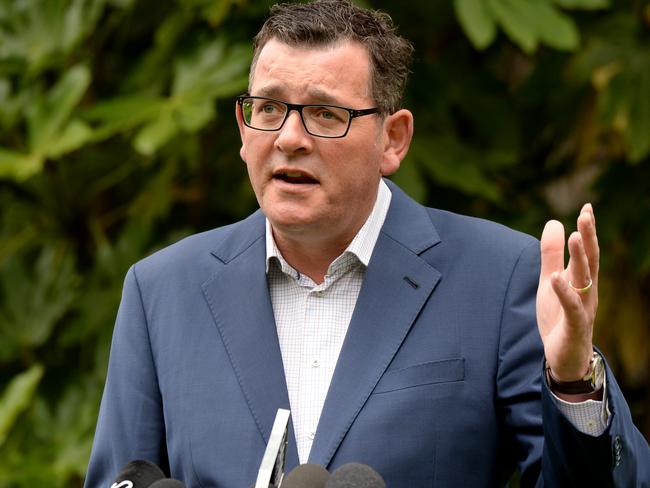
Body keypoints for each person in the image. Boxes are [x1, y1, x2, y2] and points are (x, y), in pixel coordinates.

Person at [84, 1, 650, 486]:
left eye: (325, 114)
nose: (288, 139)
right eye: (270, 108)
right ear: (243, 128)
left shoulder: (498, 278)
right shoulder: (161, 291)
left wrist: (574, 387)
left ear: (393, 139)